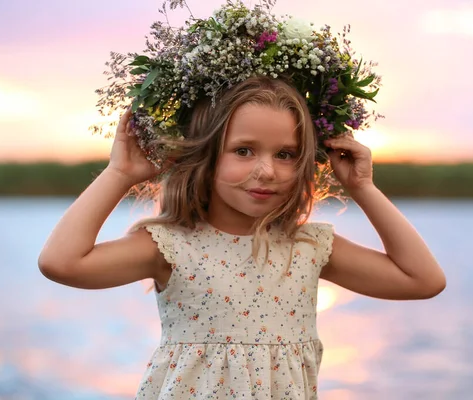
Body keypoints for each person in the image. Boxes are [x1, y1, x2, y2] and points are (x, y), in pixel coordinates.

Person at [38, 76, 445, 399]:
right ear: (207, 153)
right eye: (244, 151)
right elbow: (62, 263)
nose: (266, 171)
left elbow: (423, 281)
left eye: (285, 154)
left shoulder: (308, 247)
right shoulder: (172, 246)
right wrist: (120, 175)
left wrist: (363, 189)